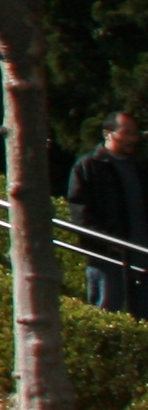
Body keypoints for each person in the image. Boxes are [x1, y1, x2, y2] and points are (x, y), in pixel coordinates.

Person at [71, 112, 148, 314]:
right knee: (107, 309)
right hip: (108, 257)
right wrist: (105, 244)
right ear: (108, 134)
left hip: (140, 254)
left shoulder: (139, 168)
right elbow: (80, 212)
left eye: (135, 133)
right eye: (127, 132)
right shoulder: (89, 166)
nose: (133, 138)